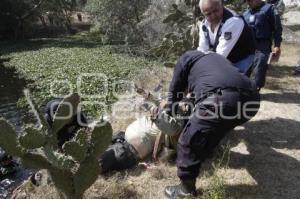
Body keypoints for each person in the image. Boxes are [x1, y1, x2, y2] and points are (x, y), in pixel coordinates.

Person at [163, 50, 260, 198]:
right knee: (217, 125)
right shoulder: (215, 59)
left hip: (222, 99)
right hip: (252, 100)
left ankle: (185, 189)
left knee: (188, 139)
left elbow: (175, 90)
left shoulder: (184, 60)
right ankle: (206, 151)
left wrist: (170, 110)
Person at [197, 0, 256, 74]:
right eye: (208, 14)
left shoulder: (233, 21)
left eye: (215, 11)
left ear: (221, 5)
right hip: (222, 58)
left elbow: (220, 55)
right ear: (203, 14)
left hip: (241, 59)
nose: (213, 16)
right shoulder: (204, 25)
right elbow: (202, 49)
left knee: (237, 82)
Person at [243, 0, 283, 89]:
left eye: (250, 0)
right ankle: (243, 89)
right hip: (247, 46)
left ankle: (255, 89)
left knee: (259, 68)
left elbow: (277, 29)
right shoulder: (246, 13)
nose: (249, 3)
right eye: (247, 1)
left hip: (263, 45)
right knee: (244, 69)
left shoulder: (269, 9)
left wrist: (277, 45)